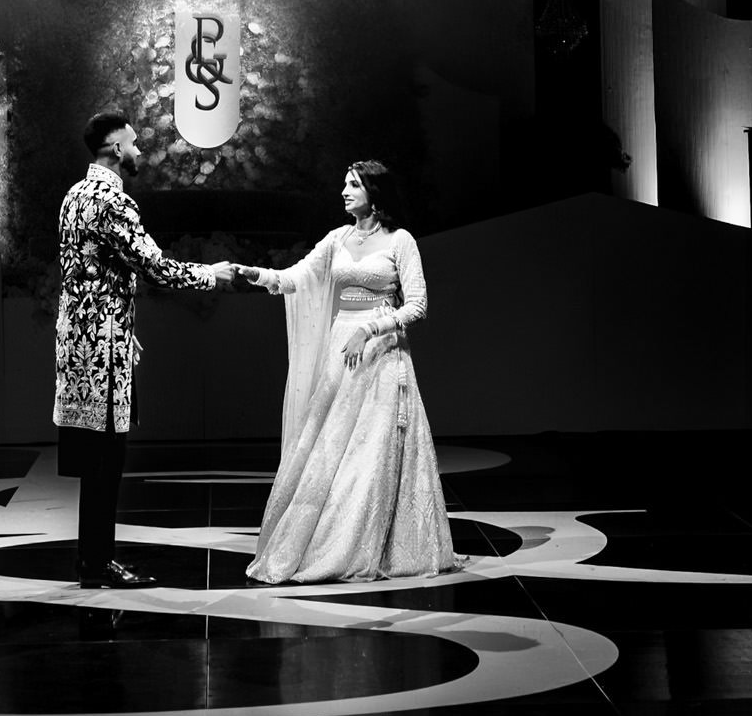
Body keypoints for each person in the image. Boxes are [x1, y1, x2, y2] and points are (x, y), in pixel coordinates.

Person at [238, 160, 460, 585]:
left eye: (354, 184)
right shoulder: (338, 238)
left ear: (375, 192)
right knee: (327, 454)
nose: (344, 190)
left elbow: (417, 305)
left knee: (369, 457)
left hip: (380, 354)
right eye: (344, 183)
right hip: (343, 351)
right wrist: (257, 274)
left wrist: (370, 327)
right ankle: (325, 541)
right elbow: (299, 275)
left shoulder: (401, 241)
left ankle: (366, 541)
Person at [55, 110, 235, 588]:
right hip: (103, 356)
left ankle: (91, 560)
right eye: (133, 143)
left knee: (93, 463)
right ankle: (97, 563)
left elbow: (81, 273)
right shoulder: (112, 201)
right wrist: (209, 274)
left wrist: (119, 323)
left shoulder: (73, 196)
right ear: (115, 148)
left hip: (78, 346)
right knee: (106, 463)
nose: (139, 151)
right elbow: (155, 267)